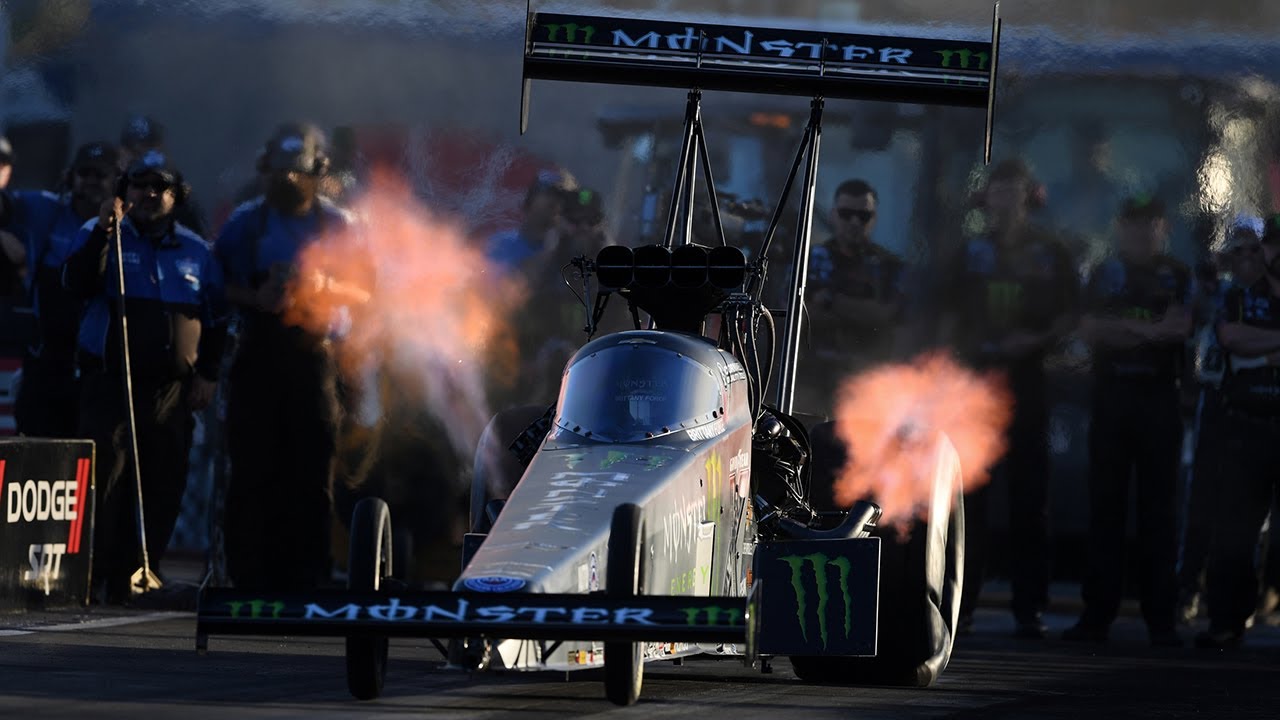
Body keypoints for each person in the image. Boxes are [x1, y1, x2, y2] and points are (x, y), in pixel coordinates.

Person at [62, 150, 225, 603]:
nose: (149, 195)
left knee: (163, 482)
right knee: (105, 479)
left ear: (175, 196)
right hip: (111, 382)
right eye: (140, 186)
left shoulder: (196, 250)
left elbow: (215, 320)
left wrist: (208, 374)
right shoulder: (100, 235)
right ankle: (92, 575)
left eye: (160, 188)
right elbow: (74, 284)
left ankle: (140, 572)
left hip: (171, 391)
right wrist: (103, 231)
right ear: (124, 191)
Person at [939, 159, 1078, 638]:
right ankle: (963, 604)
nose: (1005, 200)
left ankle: (1029, 608)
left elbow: (1070, 316)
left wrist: (1033, 342)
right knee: (969, 499)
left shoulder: (1051, 253)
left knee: (1030, 501)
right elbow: (944, 314)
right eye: (997, 191)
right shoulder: (969, 252)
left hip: (1028, 386)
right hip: (976, 389)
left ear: (1028, 196)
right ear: (987, 198)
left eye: (1013, 191)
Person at [215, 122, 354, 591]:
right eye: (280, 174)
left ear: (318, 173)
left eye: (298, 174)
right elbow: (215, 285)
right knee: (252, 467)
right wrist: (256, 298)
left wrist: (322, 288)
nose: (288, 183)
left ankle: (308, 574)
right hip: (259, 350)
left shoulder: (338, 226)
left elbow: (370, 290)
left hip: (315, 354)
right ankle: (247, 574)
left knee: (311, 469)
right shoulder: (244, 223)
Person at [1062, 195, 1191, 647]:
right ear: (1121, 228)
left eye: (1149, 224)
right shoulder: (1103, 272)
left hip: (1160, 399)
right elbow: (1091, 329)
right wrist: (1151, 331)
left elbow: (1182, 328)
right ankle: (1097, 615)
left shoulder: (1178, 274)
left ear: (1163, 227)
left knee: (1160, 512)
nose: (1141, 232)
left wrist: (1129, 332)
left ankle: (1162, 619)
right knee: (1106, 510)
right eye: (1133, 224)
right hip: (1112, 398)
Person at [1196, 214, 1280, 648]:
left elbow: (1249, 343)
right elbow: (1232, 338)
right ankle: (1226, 620)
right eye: (1271, 245)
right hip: (1246, 424)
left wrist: (1262, 347)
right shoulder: (1240, 296)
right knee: (1235, 530)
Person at [0, 141, 122, 436]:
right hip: (46, 365)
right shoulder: (45, 210)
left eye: (100, 174)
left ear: (117, 181)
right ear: (70, 176)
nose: (92, 180)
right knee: (38, 461)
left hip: (100, 369)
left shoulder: (131, 228)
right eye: (85, 172)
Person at [1177, 217, 1265, 622]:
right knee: (1201, 501)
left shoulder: (1267, 296)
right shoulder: (1217, 291)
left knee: (1244, 510)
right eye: (1237, 249)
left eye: (1252, 249)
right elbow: (1191, 319)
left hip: (1254, 403)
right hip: (1213, 399)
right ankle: (1189, 587)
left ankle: (1238, 595)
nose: (1244, 258)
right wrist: (1208, 272)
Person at [803, 179, 907, 415]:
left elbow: (887, 315)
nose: (854, 222)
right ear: (833, 215)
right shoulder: (809, 261)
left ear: (874, 218)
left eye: (863, 216)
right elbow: (799, 315)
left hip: (868, 383)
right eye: (846, 213)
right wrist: (861, 311)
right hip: (813, 383)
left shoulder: (889, 266)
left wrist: (830, 300)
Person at [119, 114, 209, 236]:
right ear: (122, 152)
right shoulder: (108, 189)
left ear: (162, 149)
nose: (141, 154)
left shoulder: (177, 196)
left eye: (148, 147)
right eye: (133, 149)